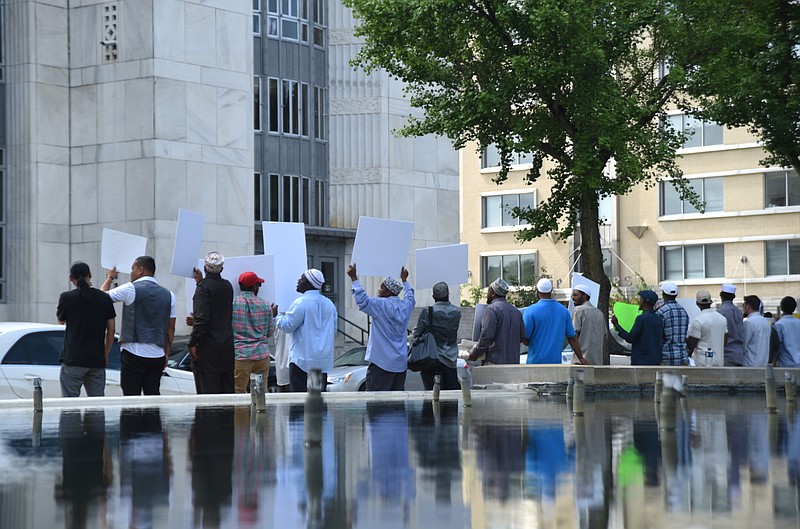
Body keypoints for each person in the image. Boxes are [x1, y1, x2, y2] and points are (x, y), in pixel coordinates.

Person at [103, 256, 176, 395]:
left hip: (133, 352)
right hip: (157, 355)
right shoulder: (169, 295)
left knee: (131, 400)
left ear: (141, 270)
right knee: (153, 398)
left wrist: (110, 277)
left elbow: (101, 297)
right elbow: (170, 328)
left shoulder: (130, 289)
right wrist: (166, 353)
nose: (131, 273)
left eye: (133, 269)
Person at [348, 264, 415, 391]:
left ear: (388, 291)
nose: (378, 290)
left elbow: (362, 301)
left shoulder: (380, 304)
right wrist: (405, 280)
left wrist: (353, 278)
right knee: (396, 404)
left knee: (376, 404)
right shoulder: (405, 306)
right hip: (400, 364)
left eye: (381, 287)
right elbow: (410, 297)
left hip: (381, 363)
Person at [57, 261, 116, 397]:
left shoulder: (67, 298)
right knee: (96, 406)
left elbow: (61, 320)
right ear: (90, 276)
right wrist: (105, 353)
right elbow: (111, 329)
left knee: (70, 407)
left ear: (70, 278)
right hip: (96, 360)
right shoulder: (104, 298)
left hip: (73, 359)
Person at [272, 269, 337, 392]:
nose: (298, 281)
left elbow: (287, 326)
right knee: (316, 402)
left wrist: (276, 316)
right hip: (321, 362)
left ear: (308, 284)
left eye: (301, 279)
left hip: (301, 361)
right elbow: (333, 329)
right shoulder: (329, 304)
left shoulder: (300, 303)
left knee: (299, 401)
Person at [188, 251, 235, 394]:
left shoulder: (203, 288)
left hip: (208, 349)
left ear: (204, 267)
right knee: (226, 392)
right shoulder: (227, 286)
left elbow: (203, 320)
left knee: (208, 396)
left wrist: (192, 342)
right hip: (226, 347)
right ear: (222, 268)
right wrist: (200, 283)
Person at [524, 278, 587, 365]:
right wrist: (580, 358)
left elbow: (525, 338)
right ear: (551, 291)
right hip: (555, 363)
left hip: (535, 363)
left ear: (537, 291)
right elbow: (572, 338)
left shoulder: (530, 311)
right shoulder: (563, 311)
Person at [411, 282, 462, 390]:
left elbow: (416, 334)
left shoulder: (428, 311)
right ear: (448, 294)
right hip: (450, 359)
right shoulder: (457, 312)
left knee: (432, 395)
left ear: (433, 297)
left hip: (431, 359)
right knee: (450, 397)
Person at [232, 271, 275, 394]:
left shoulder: (232, 304)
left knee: (238, 392)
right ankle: (260, 413)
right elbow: (270, 332)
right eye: (258, 285)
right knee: (260, 393)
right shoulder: (266, 305)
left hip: (241, 355)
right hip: (261, 355)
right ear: (254, 286)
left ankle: (241, 414)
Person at [468, 278, 527, 365]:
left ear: (493, 293)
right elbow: (522, 337)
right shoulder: (516, 312)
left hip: (495, 363)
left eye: (488, 291)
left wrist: (475, 353)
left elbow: (486, 336)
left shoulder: (492, 309)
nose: (487, 294)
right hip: (513, 363)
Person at [611, 290, 664, 365]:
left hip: (641, 361)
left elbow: (631, 338)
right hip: (655, 361)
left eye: (641, 299)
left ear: (644, 301)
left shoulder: (641, 318)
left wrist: (617, 326)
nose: (639, 301)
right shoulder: (659, 319)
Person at [685, 290, 727, 367]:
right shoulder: (722, 319)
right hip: (720, 362)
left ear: (697, 303)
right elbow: (725, 341)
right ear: (711, 302)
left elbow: (691, 344)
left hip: (703, 363)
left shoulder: (698, 321)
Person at [655, 281, 690, 366]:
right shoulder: (683, 311)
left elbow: (657, 336)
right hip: (683, 357)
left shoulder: (661, 311)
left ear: (663, 294)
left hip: (666, 358)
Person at [570, 284, 605, 365]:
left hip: (581, 361)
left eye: (575, 295)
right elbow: (605, 335)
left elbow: (573, 335)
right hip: (597, 362)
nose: (572, 298)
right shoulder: (599, 313)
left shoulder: (578, 310)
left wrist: (580, 357)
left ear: (584, 295)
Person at [716, 283, 745, 366]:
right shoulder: (738, 311)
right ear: (734, 297)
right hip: (739, 354)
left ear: (721, 295)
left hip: (726, 354)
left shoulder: (720, 312)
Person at [741, 295, 771, 367]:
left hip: (750, 363)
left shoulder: (749, 322)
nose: (743, 307)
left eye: (743, 305)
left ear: (748, 306)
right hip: (764, 363)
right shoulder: (765, 322)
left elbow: (743, 344)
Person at [774, 296, 800, 368]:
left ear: (781, 308)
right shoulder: (798, 322)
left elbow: (777, 345)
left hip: (785, 363)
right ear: (794, 308)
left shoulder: (779, 324)